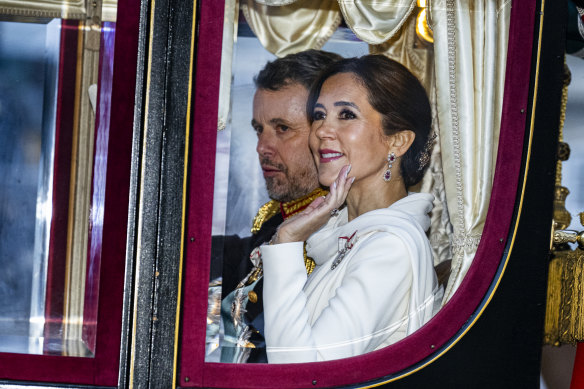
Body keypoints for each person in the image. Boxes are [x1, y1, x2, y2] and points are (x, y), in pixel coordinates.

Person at [261, 55, 443, 363]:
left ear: (397, 141)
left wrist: (288, 241)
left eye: (346, 115)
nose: (321, 131)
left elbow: (301, 372)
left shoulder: (390, 247)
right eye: (319, 115)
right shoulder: (343, 236)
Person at [207, 50, 342, 363]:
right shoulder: (277, 218)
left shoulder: (342, 234)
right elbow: (239, 261)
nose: (262, 148)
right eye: (259, 129)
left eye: (282, 128)